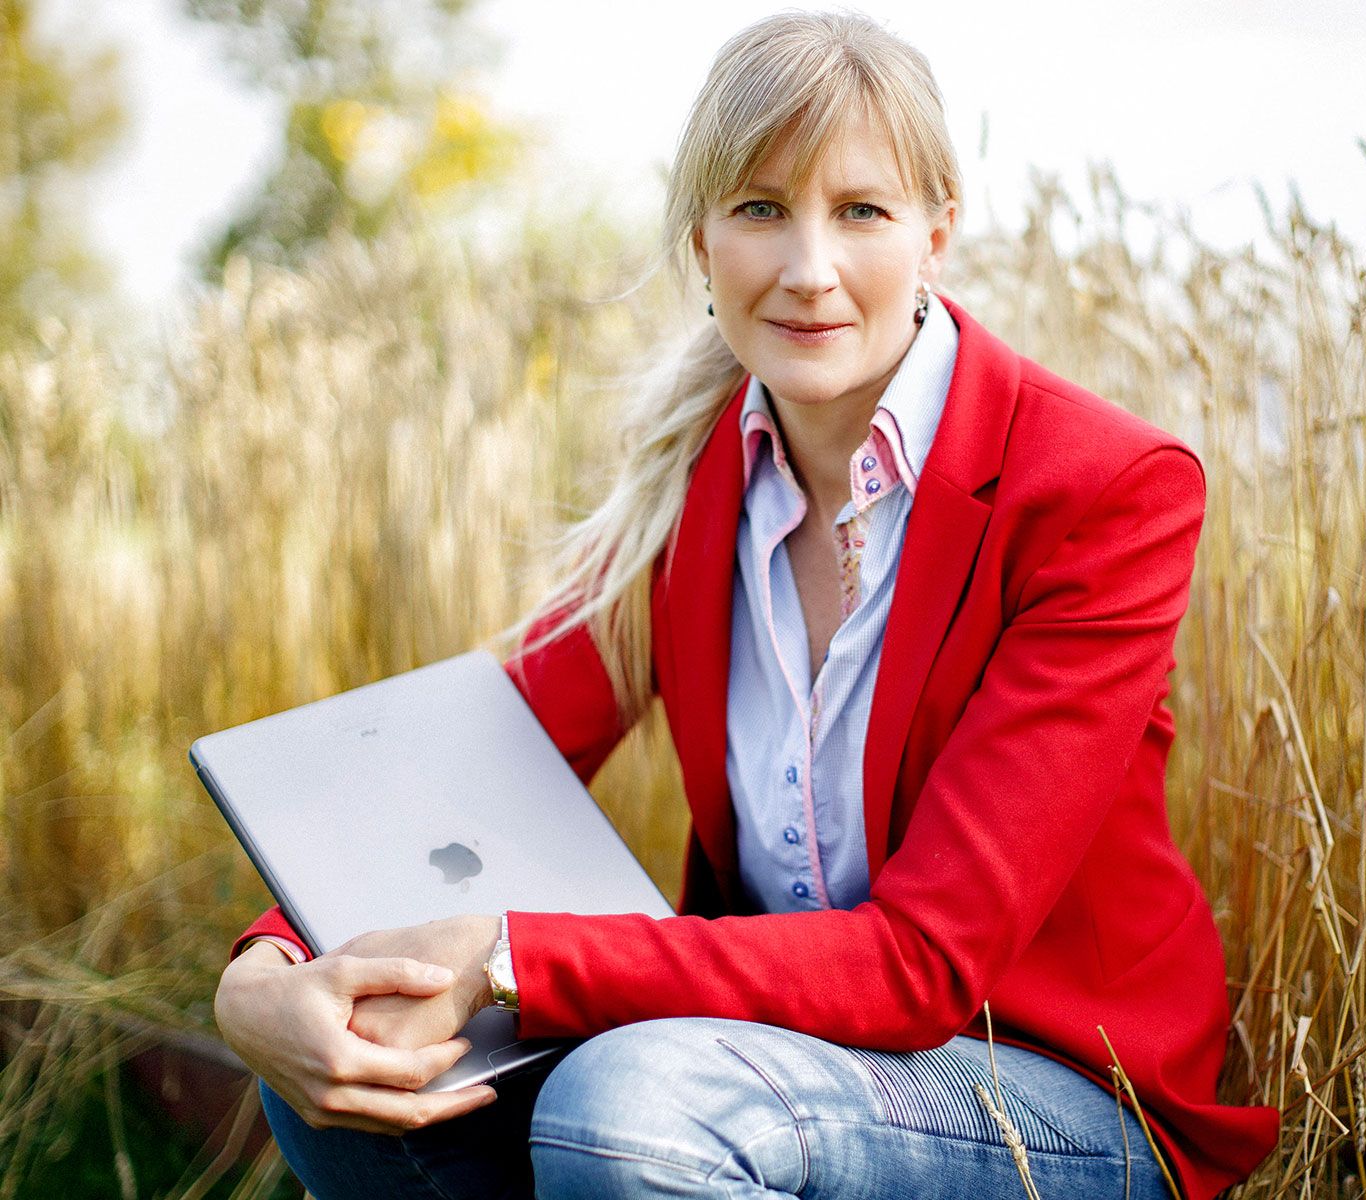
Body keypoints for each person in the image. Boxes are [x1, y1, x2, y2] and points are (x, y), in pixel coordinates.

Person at [212, 11, 1279, 1199]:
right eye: (762, 210)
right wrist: (262, 969)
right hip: (766, 1061)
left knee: (628, 1112)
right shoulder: (688, 477)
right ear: (702, 239)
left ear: (938, 226)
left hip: (1053, 1088)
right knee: (362, 1082)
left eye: (861, 212)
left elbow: (928, 966)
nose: (808, 269)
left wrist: (510, 958)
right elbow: (477, 763)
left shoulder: (1099, 490)